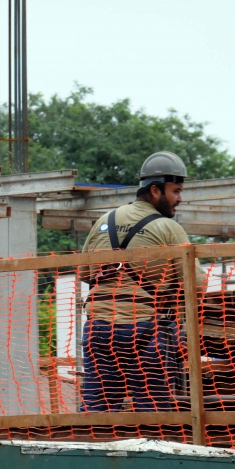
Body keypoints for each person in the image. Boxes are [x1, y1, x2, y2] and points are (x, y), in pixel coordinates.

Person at [78, 151, 205, 412]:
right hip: (145, 330)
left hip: (99, 328)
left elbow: (84, 273)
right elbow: (198, 284)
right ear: (156, 191)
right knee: (153, 413)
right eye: (176, 191)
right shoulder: (168, 228)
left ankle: (94, 447)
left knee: (97, 412)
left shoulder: (104, 221)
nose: (179, 199)